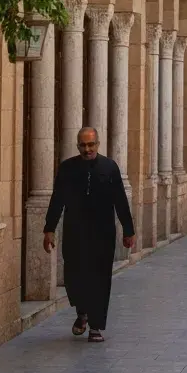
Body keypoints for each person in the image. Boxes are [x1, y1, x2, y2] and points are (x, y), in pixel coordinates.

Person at [43, 126, 135, 344]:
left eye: (91, 144)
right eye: (83, 145)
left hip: (103, 233)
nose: (87, 149)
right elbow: (57, 199)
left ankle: (95, 326)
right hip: (75, 232)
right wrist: (49, 229)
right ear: (77, 146)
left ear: (98, 144)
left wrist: (128, 230)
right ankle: (82, 311)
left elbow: (120, 200)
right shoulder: (67, 168)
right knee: (74, 277)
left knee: (100, 279)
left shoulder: (109, 168)